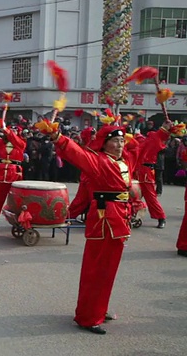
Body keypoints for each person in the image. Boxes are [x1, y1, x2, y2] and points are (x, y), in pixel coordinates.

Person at [41, 120, 171, 335]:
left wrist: (164, 130)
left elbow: (147, 146)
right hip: (103, 218)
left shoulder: (127, 159)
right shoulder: (98, 160)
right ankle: (88, 316)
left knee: (108, 269)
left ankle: (99, 309)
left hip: (120, 217)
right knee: (96, 269)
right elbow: (76, 153)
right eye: (114, 142)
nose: (119, 145)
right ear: (105, 144)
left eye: (122, 141)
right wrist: (57, 136)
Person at [134, 128, 170, 228]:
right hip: (134, 170)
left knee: (150, 196)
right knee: (131, 195)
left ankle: (161, 217)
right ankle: (132, 216)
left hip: (145, 171)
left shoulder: (147, 141)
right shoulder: (136, 141)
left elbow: (157, 138)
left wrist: (164, 128)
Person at [68, 127, 96, 220]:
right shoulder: (87, 147)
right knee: (80, 200)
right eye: (92, 134)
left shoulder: (97, 144)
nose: (94, 136)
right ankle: (68, 216)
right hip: (87, 178)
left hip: (95, 178)